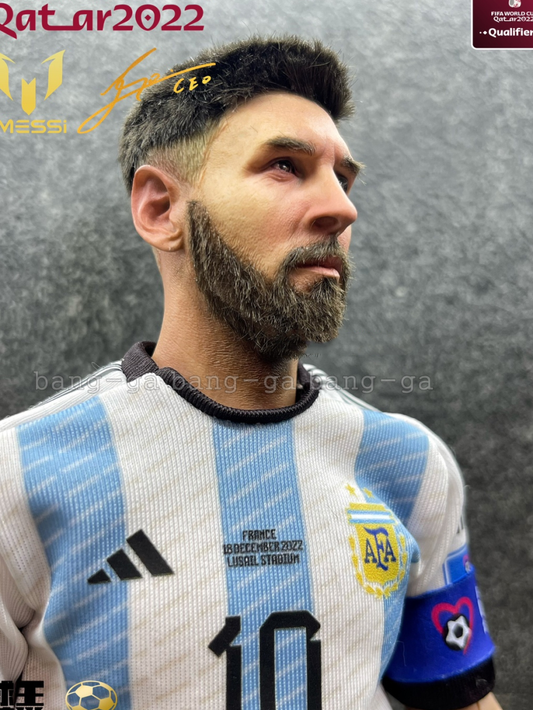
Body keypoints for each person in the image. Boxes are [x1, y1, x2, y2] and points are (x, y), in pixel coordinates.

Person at [0, 37, 501, 710]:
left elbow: (459, 701)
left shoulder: (408, 464)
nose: (341, 209)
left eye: (342, 178)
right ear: (161, 209)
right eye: (285, 166)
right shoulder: (17, 474)